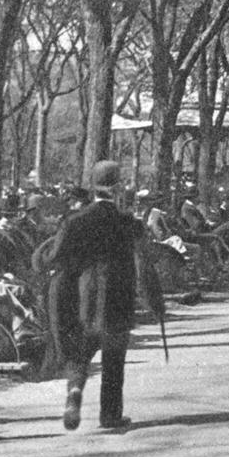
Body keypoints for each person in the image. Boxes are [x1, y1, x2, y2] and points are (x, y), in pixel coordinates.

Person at [49, 161, 150, 433]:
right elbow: (143, 251)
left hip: (84, 297)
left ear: (93, 187)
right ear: (117, 186)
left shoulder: (76, 221)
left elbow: (55, 257)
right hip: (118, 298)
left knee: (81, 353)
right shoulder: (127, 222)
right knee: (114, 361)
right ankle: (110, 415)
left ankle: (74, 392)